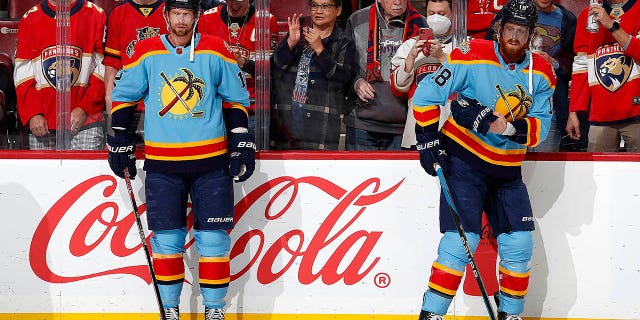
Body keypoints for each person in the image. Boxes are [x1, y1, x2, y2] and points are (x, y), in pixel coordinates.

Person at [106, 0, 253, 319]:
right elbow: (125, 96)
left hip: (212, 163)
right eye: (176, 13)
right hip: (163, 164)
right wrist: (119, 138)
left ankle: (215, 310)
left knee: (214, 241)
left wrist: (241, 141)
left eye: (187, 14)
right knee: (167, 239)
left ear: (196, 16)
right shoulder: (146, 51)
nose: (182, 20)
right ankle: (169, 308)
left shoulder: (217, 49)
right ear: (166, 16)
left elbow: (236, 98)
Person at [411, 0, 555, 319]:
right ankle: (432, 314)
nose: (514, 37)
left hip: (507, 169)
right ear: (500, 29)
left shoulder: (542, 72)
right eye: (510, 29)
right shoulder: (470, 52)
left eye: (522, 31)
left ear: (531, 34)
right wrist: (427, 140)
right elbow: (425, 95)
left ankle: (512, 315)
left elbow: (541, 128)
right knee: (461, 242)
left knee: (519, 244)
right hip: (464, 161)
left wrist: (501, 125)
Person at [486, 0, 580, 152]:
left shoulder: (567, 20)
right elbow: (490, 51)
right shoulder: (511, 11)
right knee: (510, 168)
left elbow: (575, 63)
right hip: (509, 108)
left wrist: (553, 62)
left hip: (549, 112)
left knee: (545, 170)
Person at [13, 0, 106, 150]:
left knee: (85, 174)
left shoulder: (96, 15)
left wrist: (84, 108)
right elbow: (22, 74)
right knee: (43, 174)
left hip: (86, 121)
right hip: (42, 124)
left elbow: (104, 69)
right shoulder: (30, 18)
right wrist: (33, 113)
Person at [269, 0, 356, 150]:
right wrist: (290, 43)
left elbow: (341, 80)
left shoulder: (344, 42)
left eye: (325, 6)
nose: (318, 11)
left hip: (321, 128)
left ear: (338, 10)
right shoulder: (298, 35)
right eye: (315, 5)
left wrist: (320, 50)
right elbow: (273, 70)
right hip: (286, 126)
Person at [343, 0, 427, 150]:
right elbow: (344, 64)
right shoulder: (357, 19)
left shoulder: (420, 23)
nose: (397, 2)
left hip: (402, 126)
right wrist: (356, 82)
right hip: (361, 124)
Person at [566, 0, 640, 152]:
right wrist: (574, 110)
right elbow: (581, 66)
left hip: (636, 112)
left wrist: (611, 26)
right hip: (600, 115)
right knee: (598, 174)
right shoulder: (587, 14)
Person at [198, 0, 278, 134]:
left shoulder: (266, 20)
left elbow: (270, 70)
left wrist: (243, 63)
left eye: (239, 0)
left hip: (251, 106)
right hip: (216, 107)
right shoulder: (207, 18)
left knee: (247, 154)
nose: (234, 5)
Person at [390, 0, 453, 149]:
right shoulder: (409, 46)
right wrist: (411, 58)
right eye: (431, 13)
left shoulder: (466, 46)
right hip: (416, 133)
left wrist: (442, 57)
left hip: (456, 134)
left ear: (453, 15)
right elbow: (397, 88)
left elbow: (472, 85)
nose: (436, 18)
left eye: (441, 14)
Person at [104, 0, 168, 143]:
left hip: (164, 105)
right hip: (126, 105)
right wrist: (110, 101)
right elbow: (112, 62)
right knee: (122, 161)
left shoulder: (172, 11)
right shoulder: (118, 13)